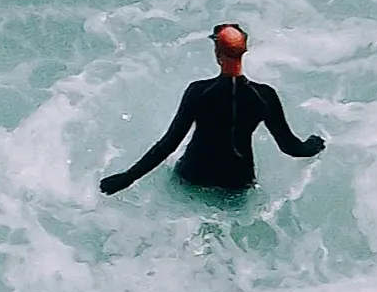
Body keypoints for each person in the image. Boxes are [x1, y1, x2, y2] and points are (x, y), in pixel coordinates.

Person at [101, 23, 326, 197]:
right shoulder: (264, 96)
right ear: (244, 52)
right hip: (236, 182)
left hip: (193, 176)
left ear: (217, 53)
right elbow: (290, 147)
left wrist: (127, 177)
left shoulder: (198, 91)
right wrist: (314, 146)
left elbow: (168, 144)